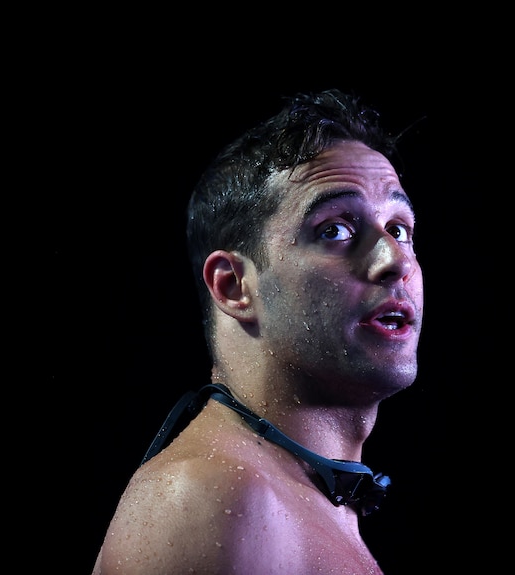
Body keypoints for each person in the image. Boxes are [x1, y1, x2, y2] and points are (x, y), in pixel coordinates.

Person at [92, 88, 425, 574]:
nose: (394, 259)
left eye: (398, 228)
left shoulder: (305, 500)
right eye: (335, 229)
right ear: (233, 287)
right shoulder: (212, 496)